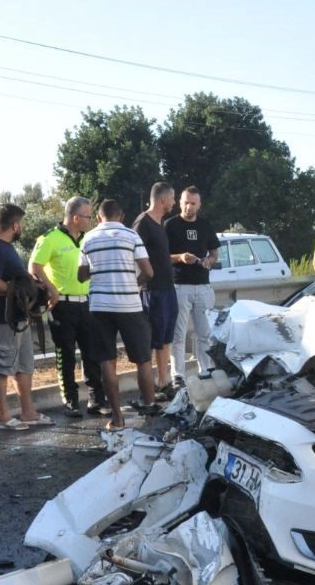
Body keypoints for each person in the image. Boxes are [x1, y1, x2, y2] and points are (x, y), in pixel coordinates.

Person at [80, 199, 158, 430]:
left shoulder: (88, 238)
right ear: (122, 216)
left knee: (107, 362)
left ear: (98, 218)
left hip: (100, 307)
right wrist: (132, 286)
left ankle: (117, 418)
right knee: (143, 360)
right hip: (130, 306)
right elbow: (148, 271)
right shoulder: (132, 236)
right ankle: (150, 412)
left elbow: (81, 276)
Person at [0, 203, 53, 432]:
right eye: (21, 224)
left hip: (17, 316)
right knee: (3, 366)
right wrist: (16, 291)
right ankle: (2, 417)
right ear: (15, 225)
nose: (22, 228)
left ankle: (28, 413)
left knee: (23, 365)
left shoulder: (5, 246)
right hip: (1, 317)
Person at [30, 196, 106, 417]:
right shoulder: (49, 238)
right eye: (87, 216)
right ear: (75, 218)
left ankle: (96, 400)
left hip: (87, 304)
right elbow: (34, 267)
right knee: (66, 355)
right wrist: (51, 289)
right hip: (62, 306)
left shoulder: (87, 238)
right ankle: (71, 401)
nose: (90, 220)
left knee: (92, 354)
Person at [165, 185, 221, 385]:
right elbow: (162, 256)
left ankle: (205, 370)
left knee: (204, 333)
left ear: (199, 205)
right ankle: (177, 375)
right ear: (180, 202)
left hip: (203, 286)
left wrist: (209, 261)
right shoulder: (170, 225)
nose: (189, 207)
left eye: (193, 203)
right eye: (186, 202)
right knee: (178, 334)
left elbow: (214, 252)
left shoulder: (205, 225)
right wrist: (180, 257)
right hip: (180, 285)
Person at [134, 182, 178, 395]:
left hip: (168, 288)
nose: (174, 202)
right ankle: (153, 385)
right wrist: (141, 281)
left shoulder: (160, 223)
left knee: (166, 338)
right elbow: (132, 254)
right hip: (153, 291)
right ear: (163, 200)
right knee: (156, 339)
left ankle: (164, 381)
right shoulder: (143, 223)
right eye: (173, 198)